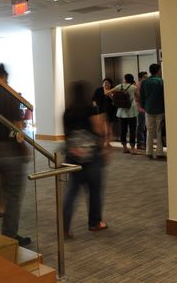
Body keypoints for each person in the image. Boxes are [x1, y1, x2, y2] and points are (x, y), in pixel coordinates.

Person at [0, 63, 32, 247]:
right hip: (10, 150)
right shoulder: (10, 94)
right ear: (6, 76)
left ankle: (1, 206)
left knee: (1, 181)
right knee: (15, 193)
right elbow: (16, 124)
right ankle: (10, 234)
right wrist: (24, 146)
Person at [63, 81, 108, 237]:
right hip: (91, 157)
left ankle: (65, 227)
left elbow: (66, 136)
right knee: (94, 190)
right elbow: (99, 130)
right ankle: (95, 223)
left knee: (71, 193)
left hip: (73, 157)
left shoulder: (67, 112)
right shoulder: (91, 109)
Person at [106, 74, 139, 154]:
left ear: (125, 79)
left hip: (121, 112)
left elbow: (107, 93)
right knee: (132, 130)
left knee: (123, 130)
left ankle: (124, 148)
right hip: (132, 111)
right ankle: (133, 149)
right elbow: (137, 98)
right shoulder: (133, 87)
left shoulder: (119, 86)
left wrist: (114, 99)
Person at [139, 64, 166, 160]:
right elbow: (164, 96)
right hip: (160, 109)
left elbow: (141, 96)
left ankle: (149, 152)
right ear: (158, 70)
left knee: (150, 131)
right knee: (159, 131)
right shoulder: (161, 81)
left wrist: (143, 106)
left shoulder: (144, 82)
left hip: (148, 109)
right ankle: (159, 153)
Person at [91, 78, 116, 147]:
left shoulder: (113, 91)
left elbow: (115, 101)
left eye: (108, 83)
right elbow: (94, 99)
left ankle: (108, 142)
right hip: (101, 111)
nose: (106, 84)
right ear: (103, 84)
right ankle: (103, 141)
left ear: (111, 84)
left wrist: (109, 94)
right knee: (103, 127)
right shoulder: (99, 90)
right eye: (105, 83)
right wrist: (95, 106)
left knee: (109, 127)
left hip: (111, 111)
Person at [135, 71, 149, 149]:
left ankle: (146, 143)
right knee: (141, 126)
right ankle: (140, 143)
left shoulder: (145, 85)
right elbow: (138, 98)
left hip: (146, 108)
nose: (146, 78)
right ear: (140, 78)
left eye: (147, 77)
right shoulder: (137, 86)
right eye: (145, 77)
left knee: (146, 126)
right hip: (140, 108)